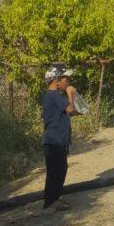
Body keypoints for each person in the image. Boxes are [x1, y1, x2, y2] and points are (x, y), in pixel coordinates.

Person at [41, 66, 79, 211]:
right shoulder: (54, 95)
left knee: (59, 170)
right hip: (54, 141)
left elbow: (72, 112)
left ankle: (53, 199)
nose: (68, 83)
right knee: (55, 172)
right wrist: (71, 94)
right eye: (65, 80)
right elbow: (70, 109)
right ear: (56, 81)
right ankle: (50, 202)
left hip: (57, 140)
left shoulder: (55, 95)